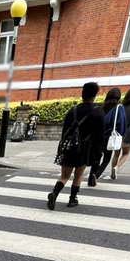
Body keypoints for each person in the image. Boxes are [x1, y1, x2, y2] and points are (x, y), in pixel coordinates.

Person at [48, 82, 105, 210]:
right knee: (79, 175)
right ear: (95, 95)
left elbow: (65, 132)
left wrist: (61, 147)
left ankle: (54, 194)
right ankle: (72, 199)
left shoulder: (72, 110)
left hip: (69, 148)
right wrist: (98, 153)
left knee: (64, 176)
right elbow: (99, 137)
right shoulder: (98, 112)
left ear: (82, 93)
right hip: (85, 149)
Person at [89, 88, 125, 187]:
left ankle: (90, 179)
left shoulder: (101, 106)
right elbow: (121, 125)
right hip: (109, 137)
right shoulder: (119, 108)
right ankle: (95, 176)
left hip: (98, 137)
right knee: (106, 159)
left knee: (97, 158)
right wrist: (121, 135)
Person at [109, 86, 130, 179]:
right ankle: (117, 167)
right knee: (125, 154)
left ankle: (112, 171)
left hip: (118, 135)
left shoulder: (120, 106)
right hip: (129, 136)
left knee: (116, 154)